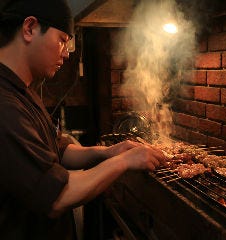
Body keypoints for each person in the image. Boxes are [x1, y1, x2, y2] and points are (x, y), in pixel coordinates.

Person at [0, 0, 167, 239]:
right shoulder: (5, 105)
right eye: (62, 40)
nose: (67, 53)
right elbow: (58, 196)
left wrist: (108, 152)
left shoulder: (23, 91)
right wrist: (126, 161)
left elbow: (58, 150)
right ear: (29, 28)